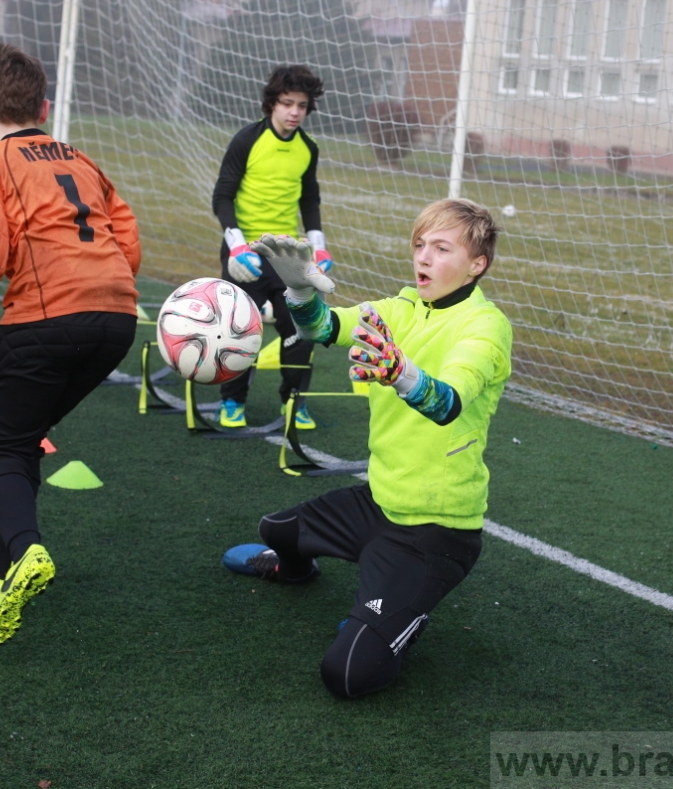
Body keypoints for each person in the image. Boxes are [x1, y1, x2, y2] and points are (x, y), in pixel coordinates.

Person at [223, 199, 512, 698]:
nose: (423, 257)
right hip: (378, 502)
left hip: (435, 531)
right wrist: (296, 290)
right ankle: (296, 570)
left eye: (441, 248)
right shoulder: (397, 310)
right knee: (277, 529)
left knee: (349, 676)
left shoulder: (485, 327)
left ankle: (403, 619)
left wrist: (402, 375)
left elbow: (448, 402)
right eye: (419, 245)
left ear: (476, 264)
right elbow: (320, 327)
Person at [0, 43, 141, 646]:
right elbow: (127, 237)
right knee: (18, 440)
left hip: (47, 319)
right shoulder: (83, 160)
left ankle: (26, 552)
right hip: (117, 319)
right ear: (44, 104)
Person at [211, 64, 332, 430]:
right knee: (237, 329)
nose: (294, 112)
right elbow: (222, 196)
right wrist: (235, 246)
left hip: (287, 255)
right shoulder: (247, 140)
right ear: (272, 104)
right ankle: (232, 402)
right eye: (287, 103)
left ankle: (294, 402)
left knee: (302, 327)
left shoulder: (308, 148)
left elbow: (309, 201)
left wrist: (319, 248)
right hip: (244, 253)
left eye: (301, 105)